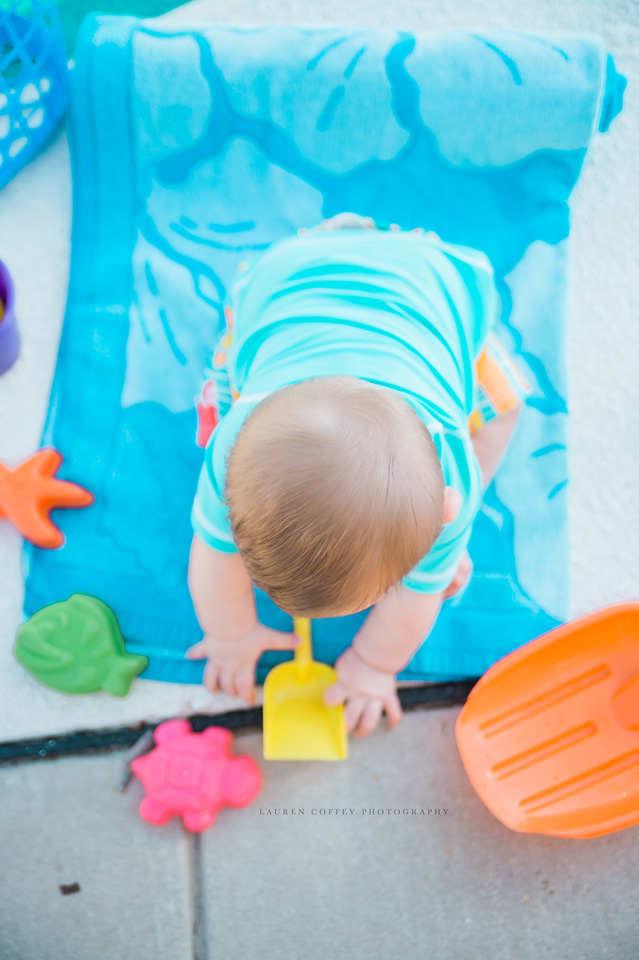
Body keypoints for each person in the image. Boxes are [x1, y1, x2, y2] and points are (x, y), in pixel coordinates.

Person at [187, 213, 530, 738]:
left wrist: (374, 665)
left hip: (424, 283)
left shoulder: (452, 481)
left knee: (508, 403)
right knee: (226, 377)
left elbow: (411, 610)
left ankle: (339, 239)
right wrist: (229, 635)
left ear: (445, 513)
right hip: (294, 275)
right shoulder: (233, 443)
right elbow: (213, 559)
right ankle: (339, 239)